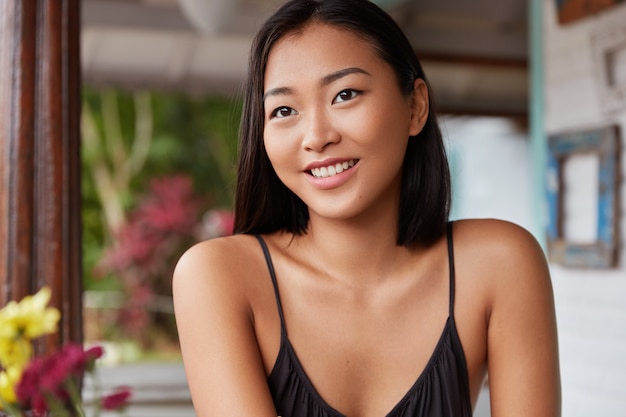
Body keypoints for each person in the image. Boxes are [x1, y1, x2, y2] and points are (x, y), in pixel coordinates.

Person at [172, 0, 561, 416]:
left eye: (345, 94)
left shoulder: (499, 262)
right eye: (284, 110)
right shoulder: (219, 276)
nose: (316, 136)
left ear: (415, 107)